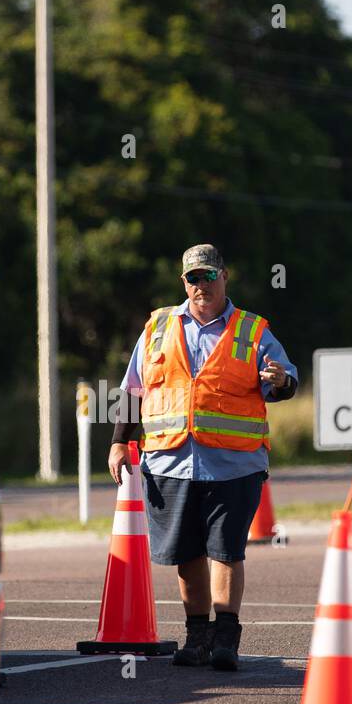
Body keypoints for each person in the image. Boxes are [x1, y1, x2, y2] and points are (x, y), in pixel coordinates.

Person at [109, 243, 298, 671]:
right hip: (170, 461)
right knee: (187, 553)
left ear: (224, 277)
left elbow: (284, 383)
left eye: (209, 277)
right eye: (194, 278)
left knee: (227, 551)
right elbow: (132, 389)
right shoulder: (158, 326)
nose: (201, 285)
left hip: (234, 464)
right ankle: (197, 636)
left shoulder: (252, 330)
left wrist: (281, 380)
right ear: (184, 283)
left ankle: (226, 637)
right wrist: (120, 441)